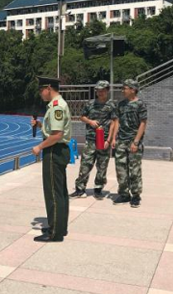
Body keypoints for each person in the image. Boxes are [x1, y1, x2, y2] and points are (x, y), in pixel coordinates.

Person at [31, 76, 72, 242]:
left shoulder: (56, 106)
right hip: (58, 149)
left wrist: (39, 147)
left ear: (49, 88)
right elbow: (54, 130)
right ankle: (59, 226)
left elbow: (56, 135)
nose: (41, 93)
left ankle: (55, 232)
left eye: (42, 90)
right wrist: (41, 126)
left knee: (53, 192)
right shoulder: (57, 105)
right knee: (60, 191)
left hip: (53, 150)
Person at [71, 80, 117, 199]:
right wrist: (90, 121)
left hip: (104, 140)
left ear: (107, 91)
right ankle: (80, 189)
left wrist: (110, 140)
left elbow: (114, 122)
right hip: (91, 140)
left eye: (102, 90)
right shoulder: (90, 104)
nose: (100, 93)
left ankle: (98, 189)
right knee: (85, 164)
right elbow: (81, 116)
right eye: (98, 91)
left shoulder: (112, 105)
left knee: (102, 166)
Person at [112, 79, 148, 208]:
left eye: (125, 88)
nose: (123, 90)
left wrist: (136, 141)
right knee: (121, 169)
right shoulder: (121, 104)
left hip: (133, 141)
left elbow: (143, 123)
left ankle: (136, 196)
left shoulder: (140, 104)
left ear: (132, 89)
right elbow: (117, 122)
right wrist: (114, 138)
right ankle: (124, 194)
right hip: (121, 140)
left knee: (134, 170)